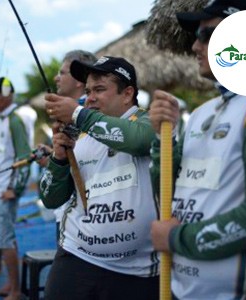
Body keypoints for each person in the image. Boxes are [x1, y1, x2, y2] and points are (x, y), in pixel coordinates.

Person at [149, 0, 246, 299]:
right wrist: (162, 143)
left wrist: (176, 238)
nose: (195, 46)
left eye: (207, 35)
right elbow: (169, 195)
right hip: (185, 291)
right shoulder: (201, 113)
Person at [40, 56, 159, 300]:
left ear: (127, 94)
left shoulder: (150, 122)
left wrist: (77, 113)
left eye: (99, 89)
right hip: (77, 256)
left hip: (138, 270)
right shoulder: (80, 133)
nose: (89, 98)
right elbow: (50, 199)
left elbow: (138, 140)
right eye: (87, 91)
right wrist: (59, 158)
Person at [0, 77, 31, 300]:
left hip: (6, 190)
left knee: (4, 239)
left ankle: (15, 291)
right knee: (6, 237)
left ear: (7, 94)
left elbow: (25, 156)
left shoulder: (15, 120)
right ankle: (11, 285)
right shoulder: (0, 119)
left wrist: (16, 188)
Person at [48, 49, 97, 242]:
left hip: (85, 221)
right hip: (66, 214)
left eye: (62, 73)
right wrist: (54, 160)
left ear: (79, 78)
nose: (56, 77)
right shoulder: (66, 115)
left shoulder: (93, 113)